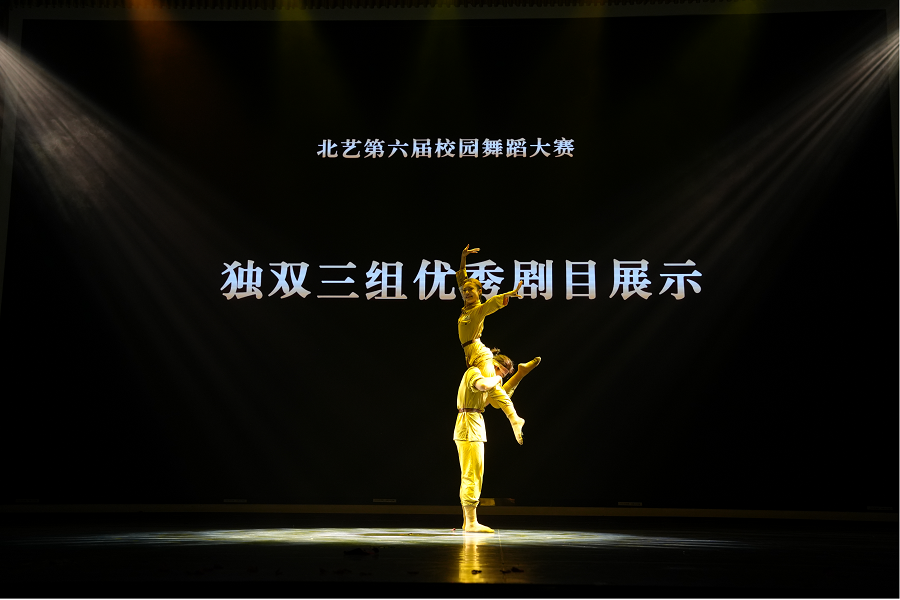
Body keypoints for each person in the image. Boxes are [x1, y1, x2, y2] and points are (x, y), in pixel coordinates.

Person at [454, 349, 541, 533]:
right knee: (471, 473)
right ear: (494, 366)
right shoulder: (474, 372)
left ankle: (469, 521)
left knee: (475, 473)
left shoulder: (485, 378)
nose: (500, 378)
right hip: (468, 424)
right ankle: (471, 522)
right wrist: (496, 379)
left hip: (474, 422)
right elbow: (484, 385)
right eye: (501, 373)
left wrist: (518, 376)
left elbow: (496, 399)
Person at [456, 244, 531, 444]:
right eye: (464, 290)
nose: (466, 292)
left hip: (479, 353)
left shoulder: (478, 310)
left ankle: (515, 419)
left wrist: (508, 295)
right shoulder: (466, 309)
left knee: (493, 390)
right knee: (490, 393)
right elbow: (462, 279)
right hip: (472, 353)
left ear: (480, 291)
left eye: (471, 290)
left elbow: (492, 304)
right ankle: (514, 416)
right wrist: (463, 258)